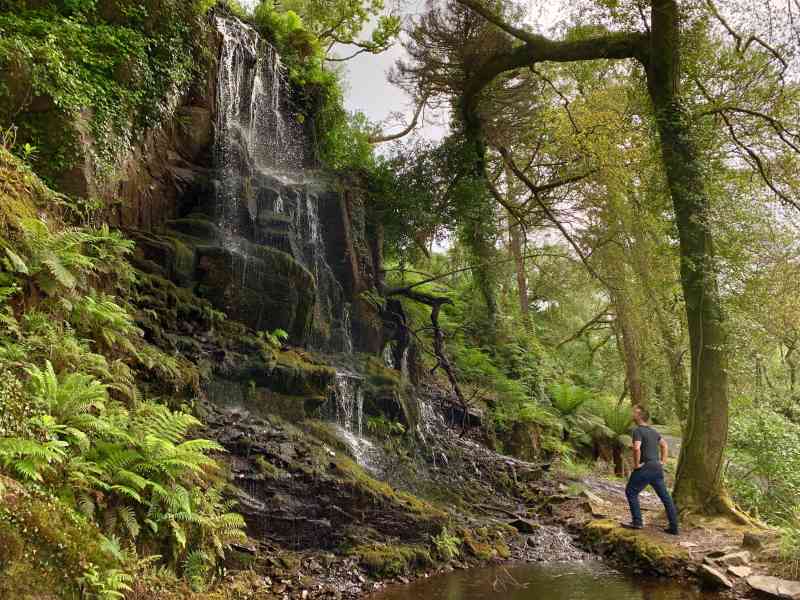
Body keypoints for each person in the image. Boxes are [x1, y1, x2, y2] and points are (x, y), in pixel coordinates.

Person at [622, 404, 679, 535]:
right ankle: (674, 527)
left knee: (631, 491)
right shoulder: (653, 431)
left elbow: (637, 448)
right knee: (666, 497)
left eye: (634, 412)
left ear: (640, 416)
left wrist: (636, 465)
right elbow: (664, 445)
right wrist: (662, 462)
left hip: (645, 467)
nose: (632, 414)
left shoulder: (637, 431)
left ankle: (637, 522)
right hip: (657, 468)